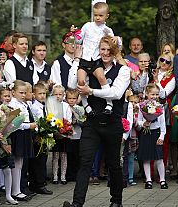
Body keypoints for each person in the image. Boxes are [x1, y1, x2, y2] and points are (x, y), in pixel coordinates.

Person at [64, 36, 130, 207]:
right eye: (103, 49)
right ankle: (77, 203)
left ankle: (116, 201)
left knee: (114, 164)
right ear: (98, 50)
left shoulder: (123, 70)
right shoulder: (90, 64)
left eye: (109, 50)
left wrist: (90, 91)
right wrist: (77, 59)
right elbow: (72, 83)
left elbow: (116, 93)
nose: (106, 53)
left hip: (112, 123)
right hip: (91, 123)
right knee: (85, 162)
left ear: (115, 51)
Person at [76, 2, 121, 116]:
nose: (97, 18)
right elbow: (78, 40)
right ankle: (86, 105)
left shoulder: (107, 30)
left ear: (107, 16)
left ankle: (109, 103)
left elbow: (115, 45)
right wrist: (74, 33)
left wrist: (116, 39)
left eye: (100, 15)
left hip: (96, 60)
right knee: (81, 81)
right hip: (85, 59)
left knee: (101, 77)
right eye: (95, 15)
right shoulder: (87, 26)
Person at [137, 83, 168, 190]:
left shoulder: (160, 107)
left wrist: (162, 137)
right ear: (147, 94)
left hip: (156, 133)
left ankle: (163, 180)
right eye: (152, 94)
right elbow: (138, 121)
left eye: (156, 94)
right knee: (146, 158)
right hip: (146, 133)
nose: (154, 97)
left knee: (159, 158)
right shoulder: (142, 106)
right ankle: (148, 180)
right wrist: (144, 123)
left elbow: (162, 124)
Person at [8, 80, 35, 201]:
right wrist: (29, 126)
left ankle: (17, 189)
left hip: (24, 134)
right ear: (13, 92)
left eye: (25, 93)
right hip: (18, 134)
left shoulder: (23, 104)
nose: (23, 95)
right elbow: (14, 124)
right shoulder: (13, 104)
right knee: (16, 162)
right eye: (21, 92)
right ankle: (15, 190)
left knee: (20, 163)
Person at [29, 82, 53, 195]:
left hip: (44, 135)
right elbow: (36, 121)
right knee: (38, 161)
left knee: (43, 160)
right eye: (40, 94)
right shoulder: (34, 107)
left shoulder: (43, 105)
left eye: (44, 93)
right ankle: (38, 184)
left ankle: (40, 182)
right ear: (34, 94)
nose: (42, 96)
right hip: (38, 136)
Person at [153, 54, 176, 168]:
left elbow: (164, 94)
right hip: (149, 107)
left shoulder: (172, 77)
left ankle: (162, 169)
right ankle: (149, 172)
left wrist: (157, 81)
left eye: (167, 62)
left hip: (164, 108)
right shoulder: (152, 72)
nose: (164, 63)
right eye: (162, 60)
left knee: (164, 140)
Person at [51, 85, 72, 185]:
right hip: (55, 133)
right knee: (55, 155)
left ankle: (63, 176)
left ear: (64, 95)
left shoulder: (66, 106)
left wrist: (65, 127)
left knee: (64, 155)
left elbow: (69, 119)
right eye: (56, 94)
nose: (58, 96)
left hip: (64, 133)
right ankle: (55, 176)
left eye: (60, 94)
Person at [65, 89, 84, 182]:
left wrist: (77, 119)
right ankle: (68, 174)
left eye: (74, 98)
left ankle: (76, 174)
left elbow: (83, 121)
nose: (71, 100)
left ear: (77, 99)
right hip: (68, 135)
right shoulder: (65, 107)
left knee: (77, 156)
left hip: (77, 135)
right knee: (68, 155)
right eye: (69, 98)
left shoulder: (79, 108)